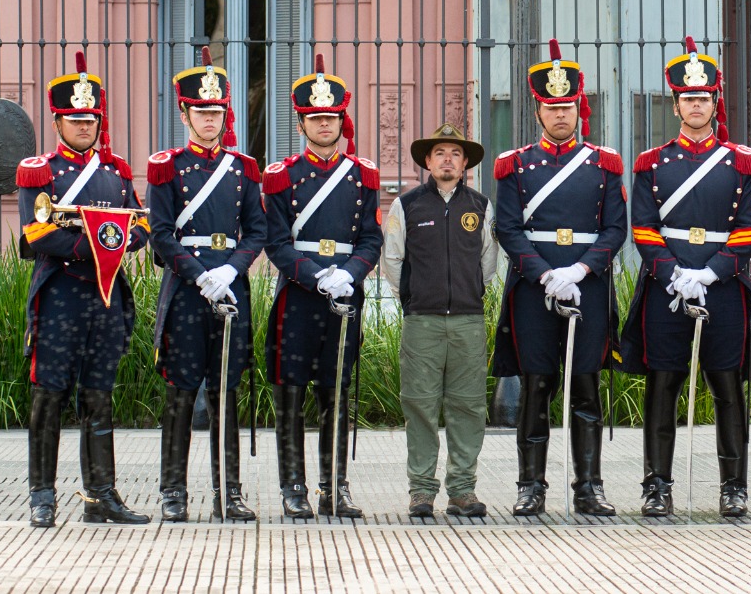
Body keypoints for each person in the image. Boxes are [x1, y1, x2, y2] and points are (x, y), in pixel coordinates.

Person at [622, 37, 751, 518]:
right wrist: (674, 274)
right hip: (669, 289)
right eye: (688, 98)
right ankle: (657, 484)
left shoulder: (741, 161)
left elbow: (750, 228)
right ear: (677, 103)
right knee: (663, 385)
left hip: (721, 290)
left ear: (714, 101)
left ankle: (733, 486)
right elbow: (642, 227)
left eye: (703, 98)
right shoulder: (652, 163)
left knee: (727, 387)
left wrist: (711, 271)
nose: (696, 104)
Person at [491, 41, 628, 517]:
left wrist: (580, 269)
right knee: (536, 385)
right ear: (538, 110)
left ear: (578, 107)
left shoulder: (603, 163)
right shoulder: (515, 165)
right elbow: (506, 227)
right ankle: (531, 486)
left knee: (586, 387)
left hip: (586, 287)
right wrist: (547, 274)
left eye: (567, 106)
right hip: (535, 291)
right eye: (551, 107)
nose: (560, 114)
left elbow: (616, 228)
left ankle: (589, 486)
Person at [15, 52, 151, 528]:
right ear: (57, 121)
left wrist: (120, 241)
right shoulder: (41, 171)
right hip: (60, 296)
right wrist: (93, 245)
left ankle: (101, 496)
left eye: (90, 118)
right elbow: (35, 236)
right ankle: (42, 494)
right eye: (74, 119)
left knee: (98, 396)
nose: (83, 125)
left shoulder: (116, 173)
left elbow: (139, 227)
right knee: (49, 395)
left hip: (106, 297)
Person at [146, 47, 267, 523]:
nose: (210, 120)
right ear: (185, 113)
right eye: (202, 112)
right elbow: (159, 233)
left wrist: (231, 270)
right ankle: (173, 491)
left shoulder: (242, 169)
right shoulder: (167, 167)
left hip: (231, 288)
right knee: (180, 393)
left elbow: (256, 230)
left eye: (217, 112)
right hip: (186, 290)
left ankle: (228, 492)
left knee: (226, 392)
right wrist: (199, 275)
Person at [261, 55, 383, 519]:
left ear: (340, 120)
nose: (324, 125)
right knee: (290, 390)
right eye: (316, 119)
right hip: (298, 293)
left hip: (346, 293)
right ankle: (294, 487)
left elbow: (371, 237)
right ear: (302, 123)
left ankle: (335, 487)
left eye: (330, 118)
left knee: (336, 389)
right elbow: (275, 241)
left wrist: (350, 272)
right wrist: (316, 275)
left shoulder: (362, 174)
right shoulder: (282, 176)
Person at [382, 122, 498, 520]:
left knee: (468, 406)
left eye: (455, 154)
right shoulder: (408, 205)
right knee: (420, 405)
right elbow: (393, 259)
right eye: (439, 154)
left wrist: (468, 292)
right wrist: (413, 298)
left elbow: (488, 262)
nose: (447, 160)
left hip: (467, 321)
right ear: (427, 161)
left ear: (465, 162)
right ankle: (421, 492)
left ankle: (463, 490)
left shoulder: (480, 205)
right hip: (423, 323)